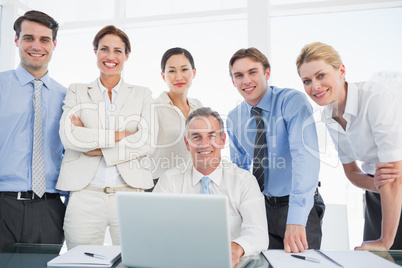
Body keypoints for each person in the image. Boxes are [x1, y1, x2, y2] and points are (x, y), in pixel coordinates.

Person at [56, 25, 157, 249]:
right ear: (95, 52)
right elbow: (69, 137)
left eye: (118, 51)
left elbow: (147, 141)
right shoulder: (77, 91)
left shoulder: (142, 94)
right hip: (85, 195)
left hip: (130, 194)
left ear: (127, 55)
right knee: (81, 262)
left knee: (136, 259)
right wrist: (124, 135)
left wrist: (95, 147)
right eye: (104, 49)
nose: (110, 57)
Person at [297, 41, 402, 251]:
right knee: (372, 258)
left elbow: (394, 175)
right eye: (306, 80)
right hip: (378, 191)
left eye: (320, 76)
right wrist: (375, 185)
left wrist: (385, 241)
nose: (314, 86)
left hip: (396, 185)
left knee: (387, 251)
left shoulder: (375, 98)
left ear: (341, 70)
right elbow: (352, 172)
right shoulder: (329, 116)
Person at [226, 47, 325, 253]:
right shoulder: (234, 117)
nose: (246, 80)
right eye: (239, 75)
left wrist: (296, 219)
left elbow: (304, 157)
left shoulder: (291, 102)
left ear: (267, 73)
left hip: (298, 204)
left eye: (253, 72)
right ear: (233, 80)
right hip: (260, 208)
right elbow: (240, 171)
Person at [154, 107, 268, 267]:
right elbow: (155, 229)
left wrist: (236, 248)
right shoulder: (170, 180)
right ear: (187, 144)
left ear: (222, 140)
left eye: (211, 136)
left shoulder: (244, 181)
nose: (204, 144)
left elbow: (258, 233)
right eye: (196, 137)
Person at [0, 10, 66, 250]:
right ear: (16, 40)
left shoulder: (67, 97)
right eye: (28, 38)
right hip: (3, 202)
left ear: (54, 44)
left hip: (48, 209)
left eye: (44, 39)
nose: (36, 46)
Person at [149, 47, 202, 189]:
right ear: (163, 76)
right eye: (172, 71)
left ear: (194, 72)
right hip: (159, 183)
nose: (178, 77)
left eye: (184, 69)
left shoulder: (198, 106)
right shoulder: (153, 107)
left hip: (192, 183)